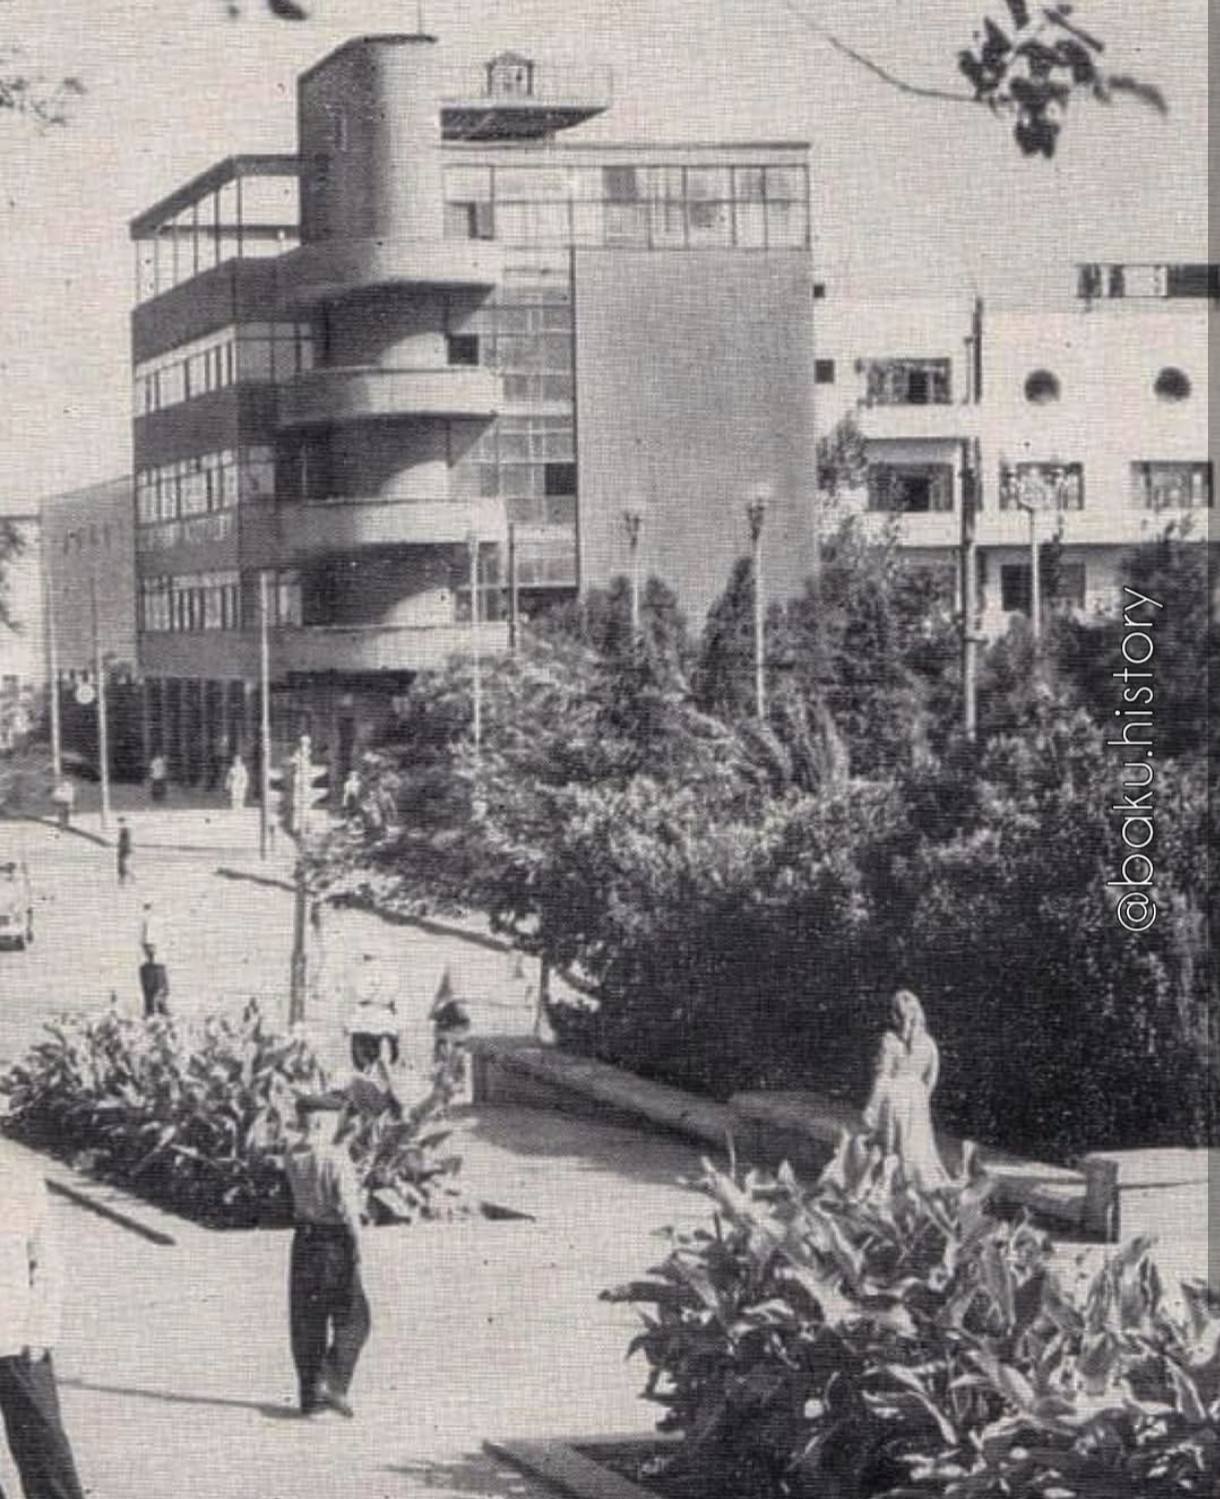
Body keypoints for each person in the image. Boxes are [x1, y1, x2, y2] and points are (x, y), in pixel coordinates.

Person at [0, 1136, 87, 1499]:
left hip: (17, 1337)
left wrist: (40, 1332)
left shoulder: (19, 1177)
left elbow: (48, 1263)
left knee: (45, 1449)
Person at [282, 1094, 370, 1419]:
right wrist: (359, 1245)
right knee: (354, 1316)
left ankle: (310, 1398)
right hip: (334, 1242)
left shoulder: (292, 1154)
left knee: (308, 1319)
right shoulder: (335, 1159)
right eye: (333, 1122)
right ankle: (331, 1381)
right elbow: (349, 1209)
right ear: (321, 1122)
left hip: (304, 1241)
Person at [861, 989, 951, 1191]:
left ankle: (889, 1187)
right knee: (917, 1147)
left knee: (891, 1146)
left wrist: (872, 1106)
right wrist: (921, 1096)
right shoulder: (929, 1044)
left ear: (895, 1015)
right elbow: (932, 1077)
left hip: (894, 1099)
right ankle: (916, 1186)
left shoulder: (890, 1041)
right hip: (918, 1100)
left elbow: (883, 1077)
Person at [138, 952, 170, 1018]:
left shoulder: (160, 968)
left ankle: (158, 1009)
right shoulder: (145, 968)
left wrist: (163, 991)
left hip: (157, 992)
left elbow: (164, 983)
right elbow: (146, 987)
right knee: (151, 1002)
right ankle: (152, 1011)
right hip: (150, 994)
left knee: (159, 1002)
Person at [116, 816, 133, 884]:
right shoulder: (123, 829)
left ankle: (124, 878)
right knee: (121, 864)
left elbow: (126, 840)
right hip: (122, 848)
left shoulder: (125, 829)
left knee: (121, 864)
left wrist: (124, 846)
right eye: (119, 822)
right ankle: (127, 876)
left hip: (124, 849)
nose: (119, 824)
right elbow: (123, 840)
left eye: (120, 822)